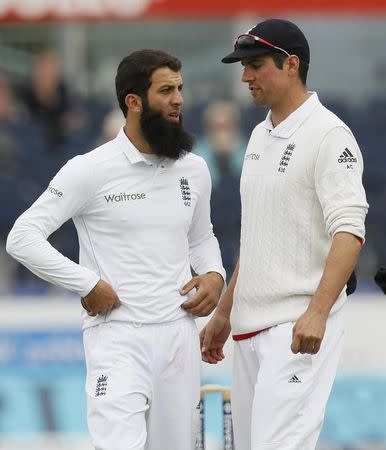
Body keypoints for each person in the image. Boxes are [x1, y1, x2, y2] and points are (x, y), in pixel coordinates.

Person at [7, 49, 225, 450]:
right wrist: (86, 283)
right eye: (166, 91)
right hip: (117, 337)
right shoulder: (90, 169)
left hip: (179, 336)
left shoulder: (194, 169)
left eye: (180, 88)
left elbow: (202, 237)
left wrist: (214, 274)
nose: (179, 99)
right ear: (133, 101)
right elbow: (23, 236)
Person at [200, 19, 368, 450]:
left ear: (291, 64)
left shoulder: (329, 134)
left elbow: (349, 231)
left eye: (255, 65)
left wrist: (316, 312)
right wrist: (224, 310)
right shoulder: (257, 135)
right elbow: (258, 237)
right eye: (243, 66)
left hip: (296, 329)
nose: (245, 76)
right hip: (248, 330)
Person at [194, 100, 245, 278]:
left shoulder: (249, 155)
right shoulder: (196, 159)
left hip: (240, 244)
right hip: (206, 244)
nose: (222, 133)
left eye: (227, 127)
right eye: (217, 127)